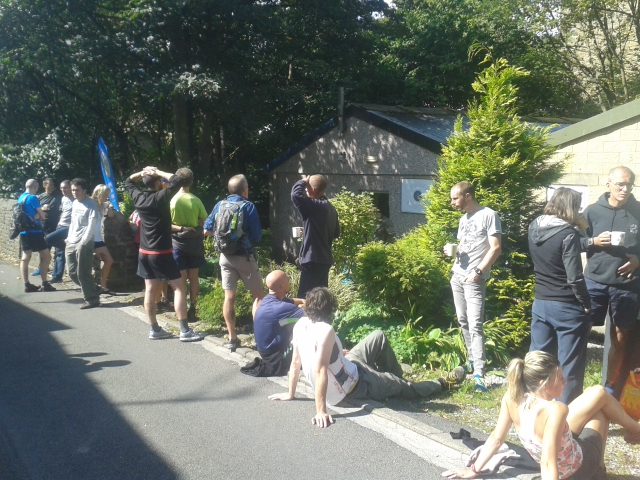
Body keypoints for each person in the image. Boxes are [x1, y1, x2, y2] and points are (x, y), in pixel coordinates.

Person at [268, 287, 465, 427]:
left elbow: (295, 363)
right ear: (330, 309)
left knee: (377, 337)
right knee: (403, 386)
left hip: (348, 364)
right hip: (355, 385)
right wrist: (320, 410)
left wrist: (290, 393)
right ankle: (440, 383)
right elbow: (320, 371)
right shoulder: (326, 329)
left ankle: (394, 381)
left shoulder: (300, 324)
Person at [442, 351, 640, 480]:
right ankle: (599, 470)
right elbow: (547, 462)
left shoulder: (512, 398)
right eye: (560, 379)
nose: (565, 382)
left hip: (559, 450)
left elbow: (495, 439)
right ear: (543, 384)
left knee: (597, 392)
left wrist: (473, 470)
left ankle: (636, 431)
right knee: (599, 411)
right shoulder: (556, 410)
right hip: (578, 468)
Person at [528, 188, 592, 404]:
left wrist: (581, 226)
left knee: (537, 361)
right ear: (571, 207)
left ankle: (531, 407)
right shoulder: (567, 234)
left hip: (541, 301)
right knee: (569, 366)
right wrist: (585, 302)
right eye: (577, 206)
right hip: (566, 305)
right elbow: (574, 276)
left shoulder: (534, 227)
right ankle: (566, 420)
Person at [125, 166, 202, 342]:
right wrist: (157, 171)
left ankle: (154, 329)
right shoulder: (162, 197)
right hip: (162, 251)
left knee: (150, 290)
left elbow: (128, 182)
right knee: (179, 288)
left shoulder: (138, 198)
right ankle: (184, 331)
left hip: (144, 251)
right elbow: (176, 179)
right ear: (159, 183)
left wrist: (143, 173)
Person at [581, 166, 640, 395]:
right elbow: (575, 241)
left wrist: (638, 261)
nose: (624, 189)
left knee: (620, 337)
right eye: (620, 184)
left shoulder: (638, 211)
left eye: (629, 185)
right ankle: (573, 382)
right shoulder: (592, 211)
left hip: (627, 285)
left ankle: (609, 388)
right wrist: (594, 241)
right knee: (581, 331)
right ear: (608, 186)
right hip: (594, 281)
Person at [446, 181, 502, 392]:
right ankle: (471, 359)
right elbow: (465, 245)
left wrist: (478, 272)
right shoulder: (463, 219)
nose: (452, 202)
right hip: (457, 275)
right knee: (463, 321)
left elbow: (495, 249)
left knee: (475, 324)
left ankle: (479, 373)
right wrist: (453, 250)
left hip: (474, 279)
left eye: (455, 198)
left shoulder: (489, 215)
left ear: (468, 196)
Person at [204, 174, 264, 351]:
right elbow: (257, 236)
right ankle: (260, 339)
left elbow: (206, 230)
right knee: (259, 297)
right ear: (245, 190)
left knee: (229, 297)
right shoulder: (248, 206)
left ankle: (232, 338)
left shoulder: (219, 205)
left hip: (225, 257)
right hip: (244, 257)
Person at [241, 270, 305, 377]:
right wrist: (303, 306)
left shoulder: (267, 300)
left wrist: (303, 301)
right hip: (275, 358)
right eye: (287, 281)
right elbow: (312, 314)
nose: (289, 282)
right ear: (282, 287)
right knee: (304, 324)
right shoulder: (280, 307)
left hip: (265, 351)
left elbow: (290, 301)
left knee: (290, 321)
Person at [291, 175, 340, 298]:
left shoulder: (314, 206)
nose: (306, 193)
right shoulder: (332, 209)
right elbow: (336, 233)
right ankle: (323, 317)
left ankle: (305, 317)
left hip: (312, 260)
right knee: (320, 298)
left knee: (305, 297)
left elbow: (295, 195)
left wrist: (302, 182)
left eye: (307, 190)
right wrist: (309, 230)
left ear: (312, 189)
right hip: (325, 260)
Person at [169, 168, 207, 322]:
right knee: (194, 278)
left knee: (180, 280)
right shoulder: (195, 200)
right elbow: (204, 220)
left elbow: (167, 224)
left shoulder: (171, 200)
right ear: (191, 182)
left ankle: (181, 309)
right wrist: (193, 225)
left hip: (177, 243)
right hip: (194, 243)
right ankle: (193, 308)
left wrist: (180, 228)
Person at [65, 178, 100, 309]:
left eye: (77, 190)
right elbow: (73, 223)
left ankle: (92, 299)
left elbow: (91, 225)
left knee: (83, 273)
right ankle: (94, 289)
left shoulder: (91, 204)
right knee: (71, 272)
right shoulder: (74, 203)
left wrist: (83, 242)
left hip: (84, 242)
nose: (74, 193)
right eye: (72, 190)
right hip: (71, 240)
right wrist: (68, 238)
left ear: (84, 191)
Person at [18, 179, 56, 293]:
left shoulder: (21, 198)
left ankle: (27, 284)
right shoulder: (32, 198)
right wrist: (40, 214)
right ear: (35, 187)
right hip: (35, 232)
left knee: (25, 258)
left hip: (23, 232)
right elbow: (42, 216)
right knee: (47, 256)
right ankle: (45, 283)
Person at [31, 178, 63, 277]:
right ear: (45, 185)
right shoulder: (40, 197)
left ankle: (56, 272)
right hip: (43, 226)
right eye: (50, 184)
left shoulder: (58, 195)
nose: (52, 186)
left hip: (56, 225)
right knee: (44, 248)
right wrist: (41, 210)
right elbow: (34, 209)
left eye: (53, 184)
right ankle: (42, 268)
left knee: (58, 248)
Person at [46, 180, 73, 283]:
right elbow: (63, 212)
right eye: (61, 188)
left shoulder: (75, 200)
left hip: (68, 227)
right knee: (59, 252)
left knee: (47, 239)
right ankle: (57, 276)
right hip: (60, 226)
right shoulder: (64, 199)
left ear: (70, 188)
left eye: (65, 188)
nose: (63, 190)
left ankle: (57, 276)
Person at [90, 184, 115, 295]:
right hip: (88, 238)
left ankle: (102, 286)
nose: (107, 197)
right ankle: (90, 287)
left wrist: (109, 206)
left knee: (109, 261)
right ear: (100, 193)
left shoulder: (103, 205)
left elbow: (110, 215)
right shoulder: (90, 203)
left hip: (98, 239)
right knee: (86, 264)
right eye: (106, 195)